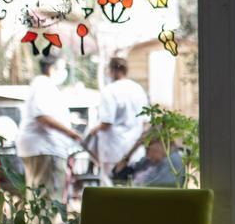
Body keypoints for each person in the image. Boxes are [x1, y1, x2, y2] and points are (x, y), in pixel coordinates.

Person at [16, 54, 79, 203]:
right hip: (46, 148)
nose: (64, 72)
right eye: (62, 68)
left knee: (37, 197)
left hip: (42, 148)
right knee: (46, 198)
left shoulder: (44, 86)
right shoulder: (43, 85)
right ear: (52, 68)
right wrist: (71, 133)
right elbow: (42, 116)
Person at [87, 57, 147, 185]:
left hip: (114, 150)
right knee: (134, 186)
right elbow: (145, 121)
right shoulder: (138, 89)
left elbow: (106, 122)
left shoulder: (110, 90)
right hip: (135, 149)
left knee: (111, 187)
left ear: (113, 70)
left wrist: (93, 131)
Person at [114, 137, 186, 187]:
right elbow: (118, 174)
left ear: (161, 143)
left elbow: (159, 190)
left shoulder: (173, 162)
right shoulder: (147, 162)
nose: (147, 154)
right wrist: (132, 151)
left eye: (148, 148)